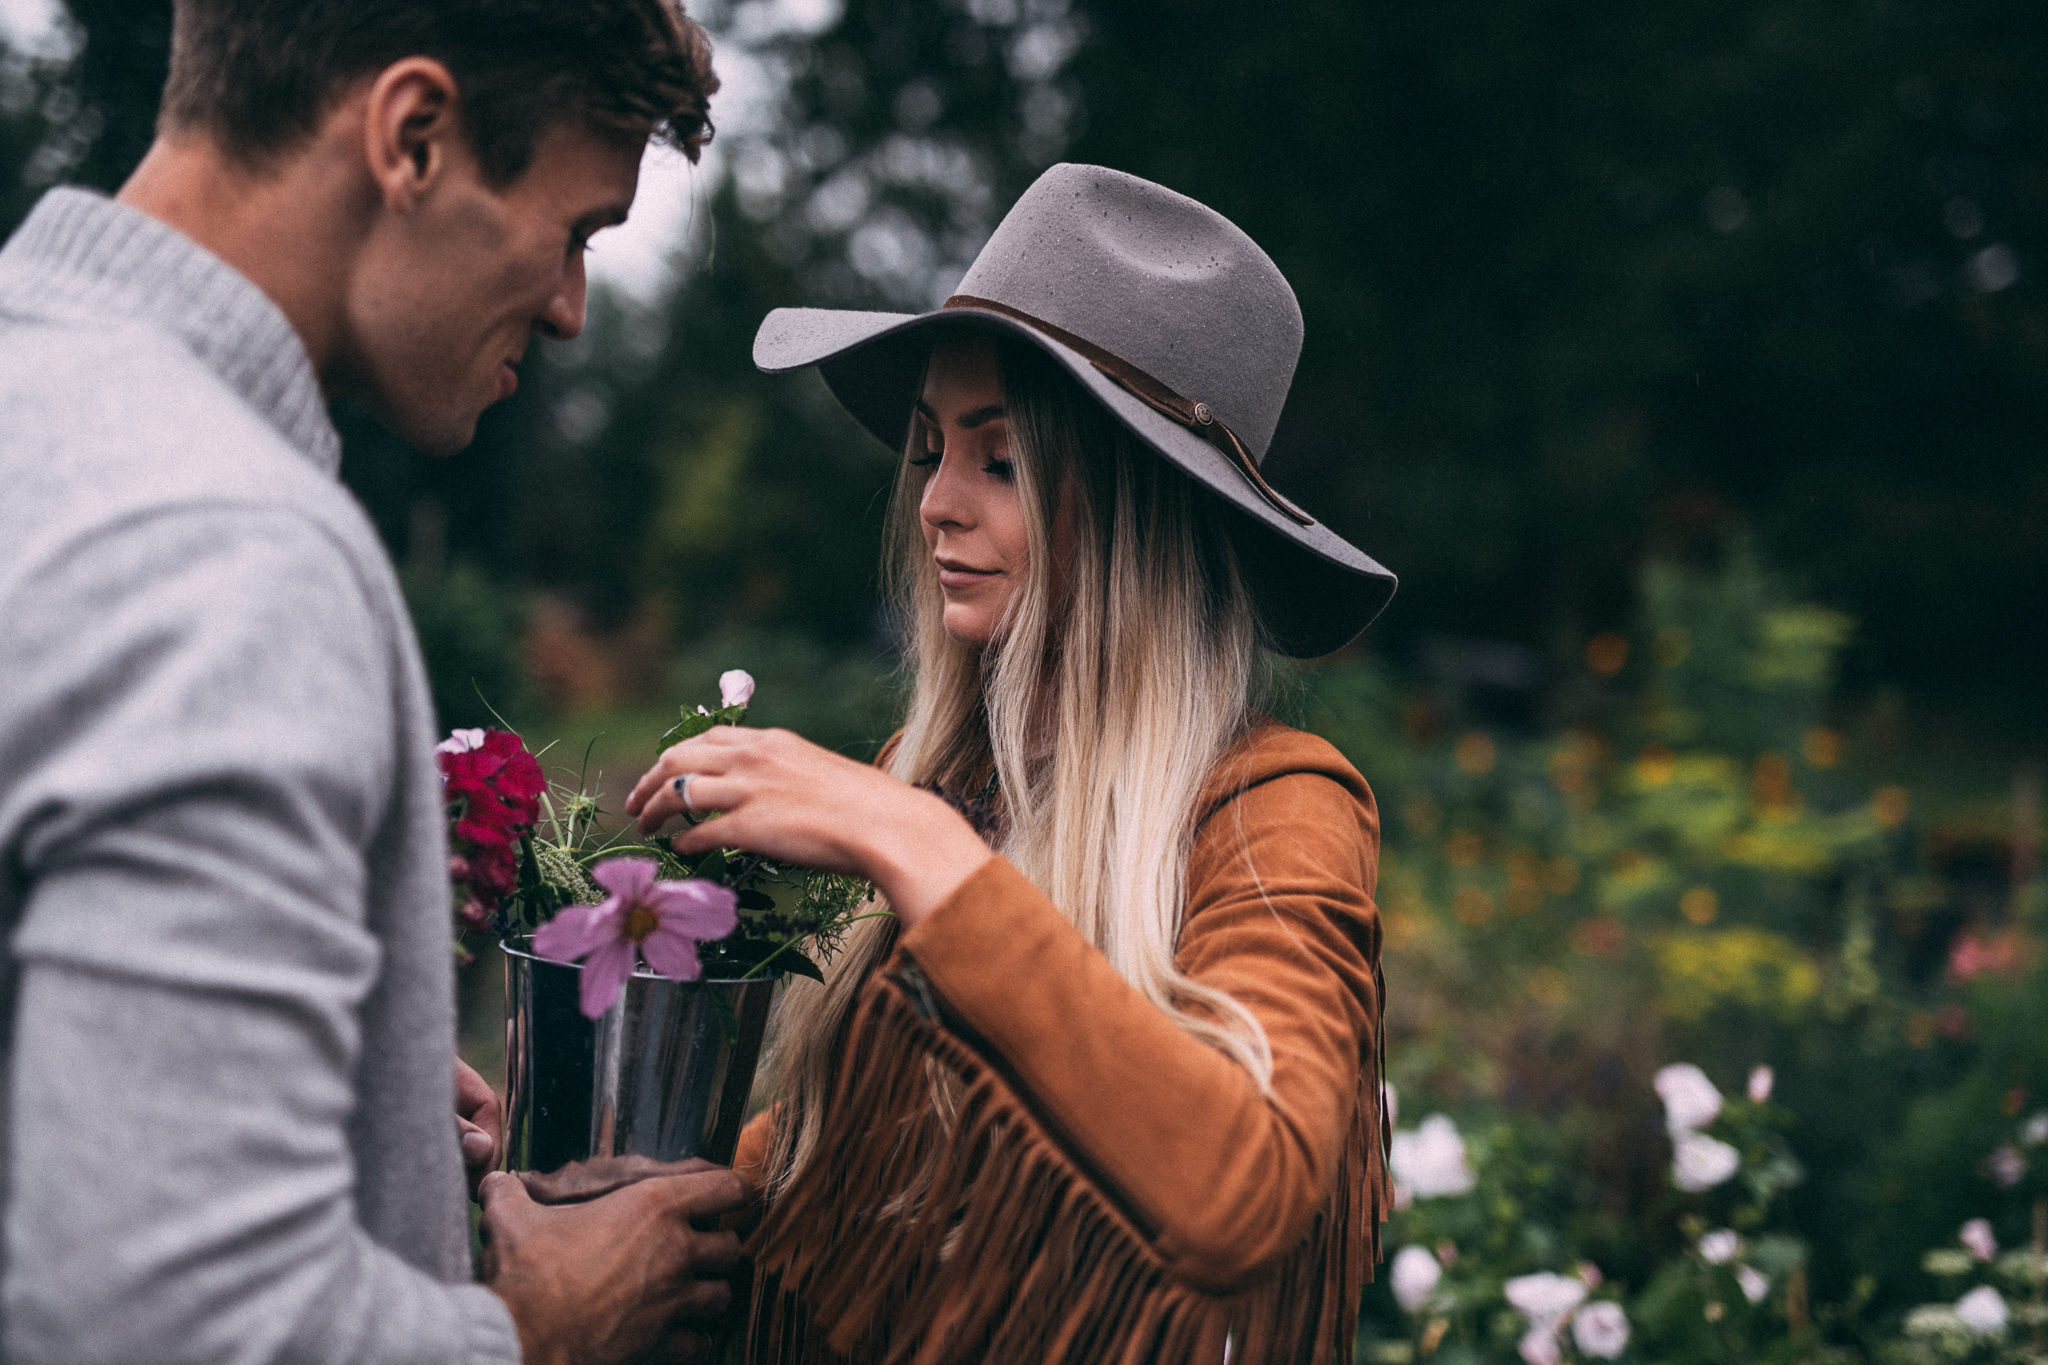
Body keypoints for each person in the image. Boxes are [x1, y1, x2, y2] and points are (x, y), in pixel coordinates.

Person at [0, 3, 746, 1361]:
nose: (573, 310)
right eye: (576, 229)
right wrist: (535, 1321)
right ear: (413, 138)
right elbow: (164, 1324)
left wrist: (350, 1105)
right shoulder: (227, 551)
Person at [624, 163, 1401, 1363]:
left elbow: (1242, 1188)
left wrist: (912, 842)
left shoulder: (1272, 809)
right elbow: (844, 1148)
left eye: (999, 461)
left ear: (1140, 513)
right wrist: (600, 1184)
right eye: (931, 449)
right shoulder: (936, 769)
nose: (936, 502)